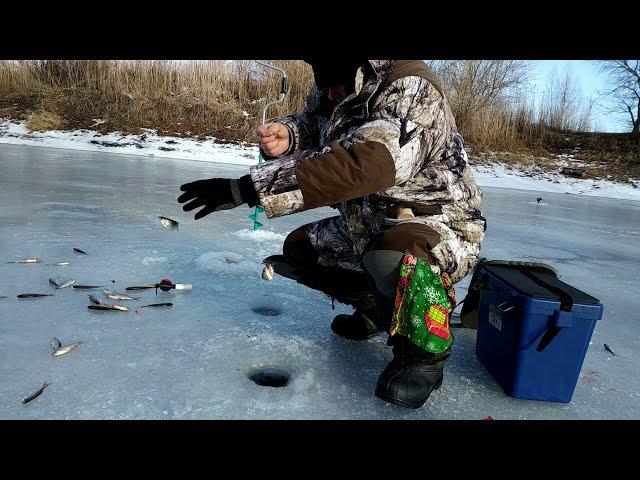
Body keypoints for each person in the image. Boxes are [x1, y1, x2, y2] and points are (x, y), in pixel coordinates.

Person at [178, 60, 486, 409]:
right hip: (365, 224)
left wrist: (245, 189)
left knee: (396, 256)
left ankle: (423, 355)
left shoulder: (410, 85)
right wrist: (290, 134)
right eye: (324, 86)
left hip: (435, 226)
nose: (330, 93)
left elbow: (369, 161)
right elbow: (319, 122)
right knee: (301, 250)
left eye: (335, 85)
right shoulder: (334, 79)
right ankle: (375, 308)